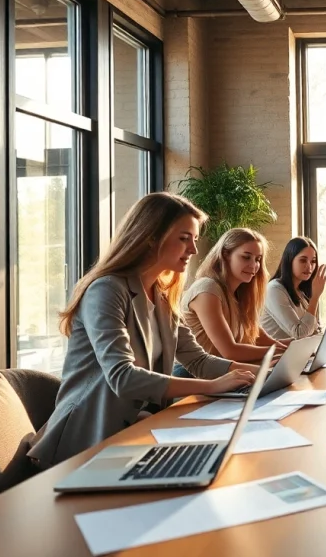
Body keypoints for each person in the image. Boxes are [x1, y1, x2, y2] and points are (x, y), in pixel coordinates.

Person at [27, 193, 256, 469]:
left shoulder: (160, 295)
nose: (194, 249)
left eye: (194, 239)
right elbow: (123, 377)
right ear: (151, 237)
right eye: (184, 238)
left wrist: (265, 375)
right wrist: (212, 386)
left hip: (133, 433)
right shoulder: (107, 290)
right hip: (85, 443)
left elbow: (198, 360)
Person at [174, 228, 288, 376]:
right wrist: (276, 351)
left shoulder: (240, 294)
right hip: (192, 375)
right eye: (246, 257)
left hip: (224, 372)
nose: (254, 265)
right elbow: (229, 351)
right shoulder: (207, 288)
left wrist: (296, 347)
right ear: (225, 255)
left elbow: (260, 338)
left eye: (258, 259)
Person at [261, 236, 326, 340]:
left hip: (300, 350)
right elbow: (299, 334)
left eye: (313, 261)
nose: (309, 267)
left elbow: (314, 330)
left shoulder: (301, 291)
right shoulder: (274, 289)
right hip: (278, 351)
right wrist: (315, 297)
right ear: (289, 260)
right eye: (303, 260)